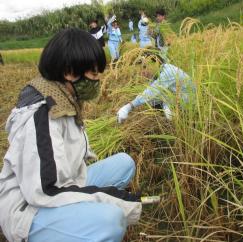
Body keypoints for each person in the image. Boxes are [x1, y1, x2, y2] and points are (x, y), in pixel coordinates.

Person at [0, 28, 141, 242]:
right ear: (69, 72)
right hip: (29, 208)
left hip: (67, 181)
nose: (98, 81)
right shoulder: (42, 116)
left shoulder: (63, 100)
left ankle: (80, 214)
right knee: (111, 220)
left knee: (125, 163)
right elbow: (47, 190)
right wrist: (113, 200)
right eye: (94, 74)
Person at [117, 52, 195, 123]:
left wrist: (129, 107)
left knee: (167, 110)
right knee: (153, 101)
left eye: (145, 67)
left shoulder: (167, 72)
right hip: (177, 95)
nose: (143, 73)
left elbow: (150, 92)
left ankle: (176, 124)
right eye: (140, 70)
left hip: (190, 100)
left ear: (156, 62)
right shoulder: (159, 71)